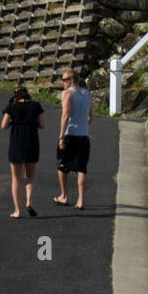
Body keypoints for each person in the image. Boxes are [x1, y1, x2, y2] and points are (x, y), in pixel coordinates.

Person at [0, 85, 45, 218]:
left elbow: (3, 125)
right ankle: (29, 202)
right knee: (30, 177)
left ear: (15, 95)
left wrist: (14, 122)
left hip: (16, 143)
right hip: (32, 143)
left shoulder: (11, 106)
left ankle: (17, 210)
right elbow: (42, 124)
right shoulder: (36, 106)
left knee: (16, 178)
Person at [53, 69, 92, 210]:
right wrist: (84, 127)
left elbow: (65, 115)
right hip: (84, 135)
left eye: (64, 80)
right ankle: (80, 200)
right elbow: (90, 116)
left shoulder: (67, 93)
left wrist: (61, 136)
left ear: (72, 80)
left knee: (63, 166)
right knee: (82, 168)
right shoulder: (87, 93)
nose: (62, 82)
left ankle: (64, 195)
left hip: (70, 134)